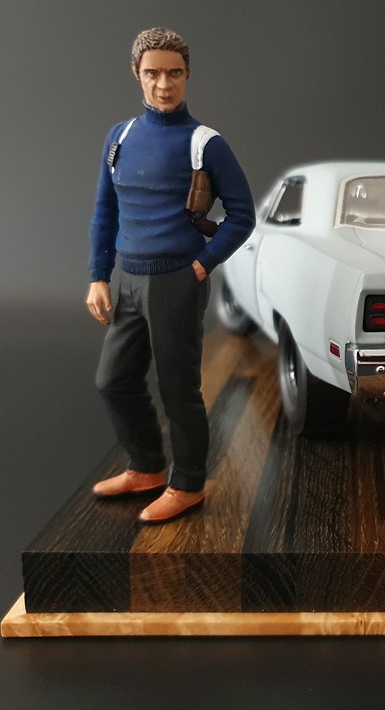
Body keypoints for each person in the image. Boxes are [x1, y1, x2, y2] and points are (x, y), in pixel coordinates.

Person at [85, 28, 255, 523]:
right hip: (128, 280)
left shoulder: (205, 143)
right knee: (113, 380)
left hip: (176, 280)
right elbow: (105, 211)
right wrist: (98, 275)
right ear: (137, 74)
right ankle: (146, 467)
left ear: (187, 75)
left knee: (178, 389)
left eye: (174, 73)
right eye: (153, 73)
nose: (164, 84)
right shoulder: (120, 137)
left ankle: (188, 483)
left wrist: (202, 264)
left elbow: (242, 216)